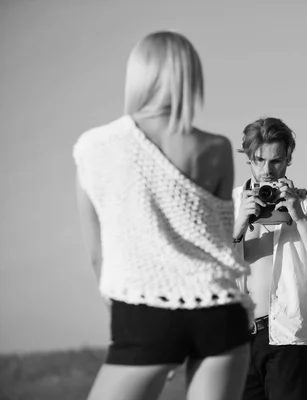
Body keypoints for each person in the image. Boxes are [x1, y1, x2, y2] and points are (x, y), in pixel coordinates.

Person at [73, 31, 252, 400]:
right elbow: (217, 241)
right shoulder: (216, 148)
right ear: (190, 77)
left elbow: (98, 257)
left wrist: (139, 327)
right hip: (218, 310)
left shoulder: (94, 147)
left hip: (142, 312)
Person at [232, 117, 307, 400]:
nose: (267, 171)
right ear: (248, 158)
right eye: (258, 161)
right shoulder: (227, 204)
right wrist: (237, 227)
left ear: (288, 158)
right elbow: (205, 274)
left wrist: (299, 217)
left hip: (290, 338)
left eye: (276, 161)